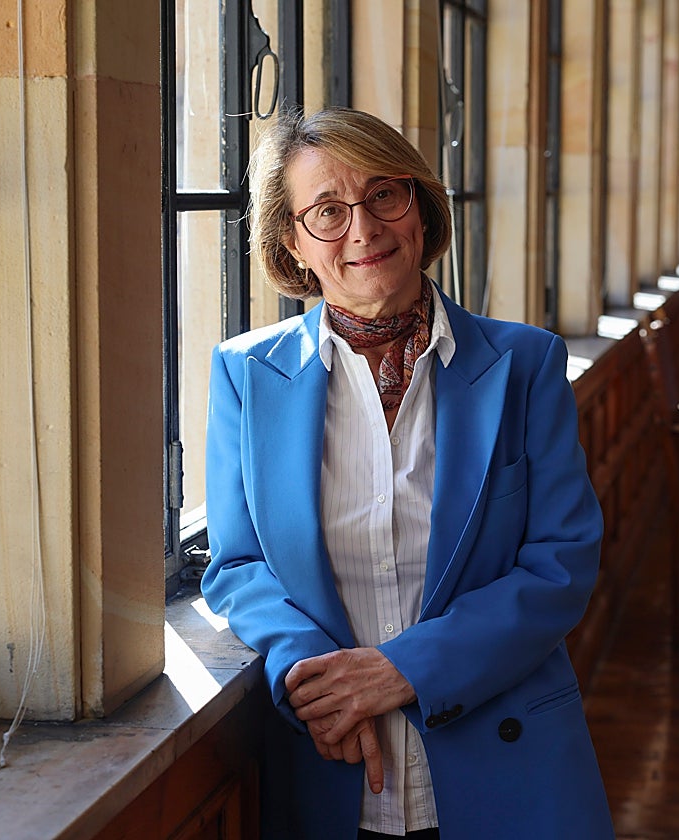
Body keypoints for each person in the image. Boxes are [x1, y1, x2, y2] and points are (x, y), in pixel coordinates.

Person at [201, 107, 614, 840]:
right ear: (291, 243)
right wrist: (312, 680)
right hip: (326, 766)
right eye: (327, 211)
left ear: (420, 210)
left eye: (384, 195)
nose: (363, 230)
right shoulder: (245, 374)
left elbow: (562, 563)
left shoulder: (526, 365)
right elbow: (237, 565)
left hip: (508, 763)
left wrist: (405, 669)